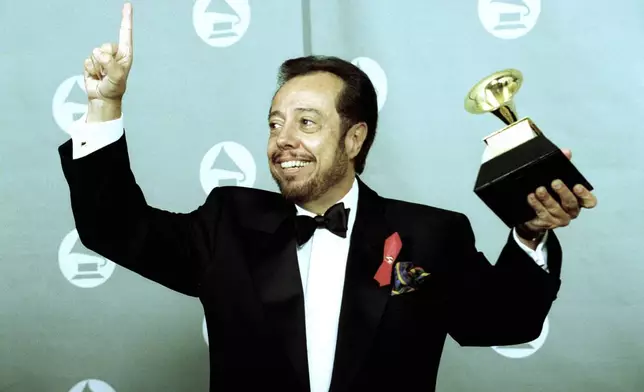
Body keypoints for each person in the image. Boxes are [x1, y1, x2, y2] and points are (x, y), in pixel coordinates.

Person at [58, 4, 597, 392]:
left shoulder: (434, 235)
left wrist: (529, 234)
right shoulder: (227, 222)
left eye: (307, 122)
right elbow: (112, 225)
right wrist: (105, 105)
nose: (282, 139)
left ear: (354, 138)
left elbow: (503, 323)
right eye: (275, 122)